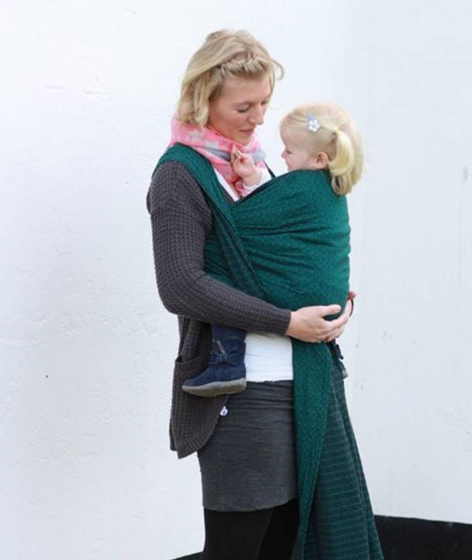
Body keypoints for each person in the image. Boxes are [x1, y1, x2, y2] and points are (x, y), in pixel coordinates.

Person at [148, 30, 383, 560]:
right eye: (243, 107)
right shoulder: (180, 177)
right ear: (203, 98)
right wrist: (287, 321)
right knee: (236, 548)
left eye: (264, 104)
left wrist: (327, 293)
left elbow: (292, 247)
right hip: (241, 394)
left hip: (308, 384)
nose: (257, 119)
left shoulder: (262, 164)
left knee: (287, 545)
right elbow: (180, 285)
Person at [181, 102, 361, 398]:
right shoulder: (330, 188)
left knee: (221, 259)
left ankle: (228, 360)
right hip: (331, 296)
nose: (282, 156)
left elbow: (249, 221)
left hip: (304, 296)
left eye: (289, 151)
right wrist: (254, 177)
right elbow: (279, 208)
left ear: (318, 159)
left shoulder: (303, 185)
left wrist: (215, 225)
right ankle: (335, 355)